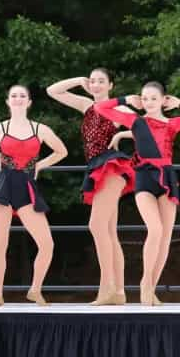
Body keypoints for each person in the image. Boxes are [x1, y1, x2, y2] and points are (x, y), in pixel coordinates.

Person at [46, 68, 135, 305]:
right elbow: (52, 90)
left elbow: (145, 129)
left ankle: (106, 288)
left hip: (112, 166)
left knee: (96, 225)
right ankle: (119, 292)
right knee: (110, 232)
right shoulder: (86, 105)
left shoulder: (119, 109)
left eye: (101, 81)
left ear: (111, 86)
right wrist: (78, 80)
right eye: (93, 81)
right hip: (96, 168)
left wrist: (122, 136)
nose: (96, 85)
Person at [0, 85, 68, 306]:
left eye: (22, 96)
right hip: (3, 186)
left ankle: (35, 289)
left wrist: (41, 165)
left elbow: (61, 151)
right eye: (14, 96)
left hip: (26, 187)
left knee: (47, 243)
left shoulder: (41, 129)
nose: (18, 99)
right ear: (8, 101)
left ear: (29, 102)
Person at [94, 82, 180, 305]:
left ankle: (151, 287)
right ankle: (144, 283)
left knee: (165, 237)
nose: (148, 102)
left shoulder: (172, 124)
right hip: (144, 177)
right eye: (145, 98)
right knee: (156, 229)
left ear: (164, 100)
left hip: (167, 178)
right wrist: (124, 100)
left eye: (153, 98)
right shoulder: (136, 121)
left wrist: (179, 103)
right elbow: (101, 108)